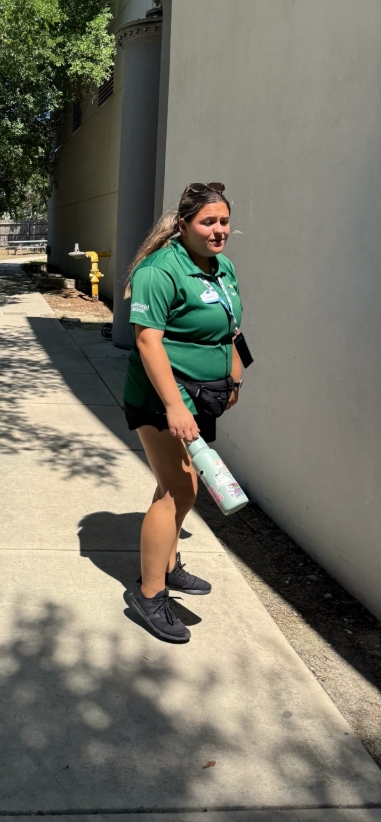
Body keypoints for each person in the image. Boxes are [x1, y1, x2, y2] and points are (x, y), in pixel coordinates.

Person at [122, 182, 244, 643]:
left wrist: (234, 376)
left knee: (174, 482)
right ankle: (149, 594)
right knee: (181, 489)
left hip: (204, 395)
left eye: (224, 221)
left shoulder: (222, 267)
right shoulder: (160, 270)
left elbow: (232, 329)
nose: (218, 231)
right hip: (161, 399)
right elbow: (147, 341)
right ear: (184, 225)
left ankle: (169, 565)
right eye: (208, 222)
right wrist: (175, 406)